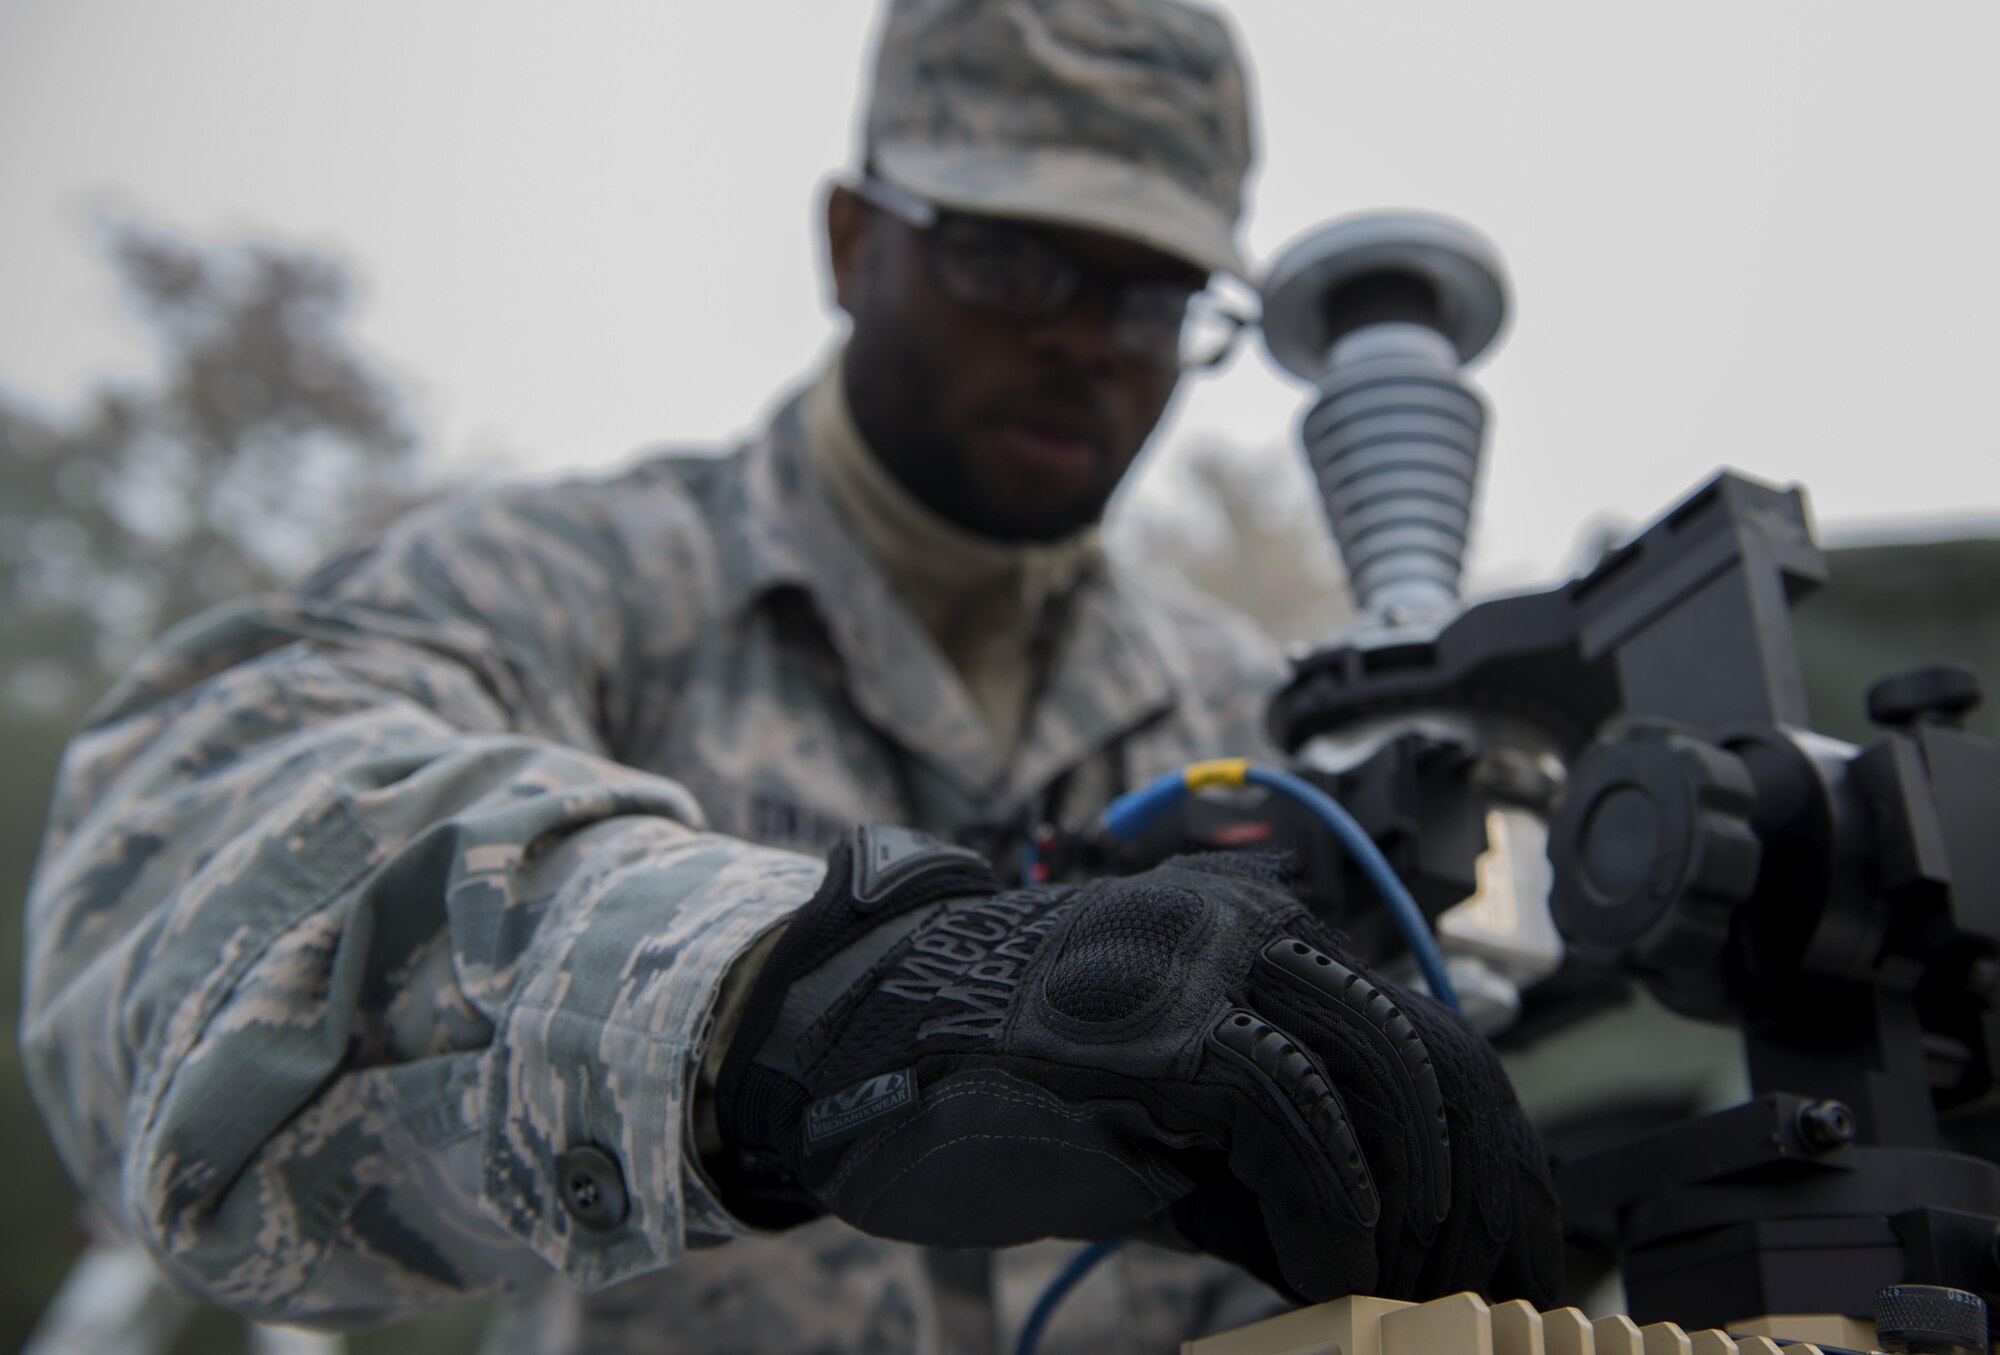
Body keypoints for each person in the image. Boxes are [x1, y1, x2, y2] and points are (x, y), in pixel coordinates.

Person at [18, 1, 1560, 1352]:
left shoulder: (1248, 718)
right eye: (1014, 260)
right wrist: (788, 1000)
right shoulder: (589, 585)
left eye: (1153, 299)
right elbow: (171, 887)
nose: (1088, 342)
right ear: (849, 239)